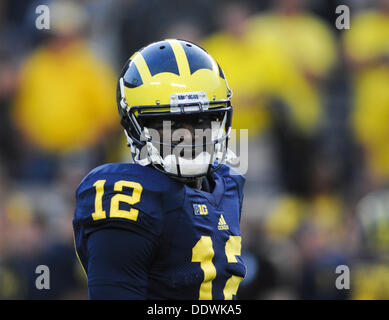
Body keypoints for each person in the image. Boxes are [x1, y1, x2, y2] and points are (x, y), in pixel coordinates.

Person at [73, 39, 246, 299]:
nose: (188, 137)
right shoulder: (126, 196)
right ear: (135, 127)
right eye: (169, 123)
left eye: (200, 120)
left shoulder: (227, 183)